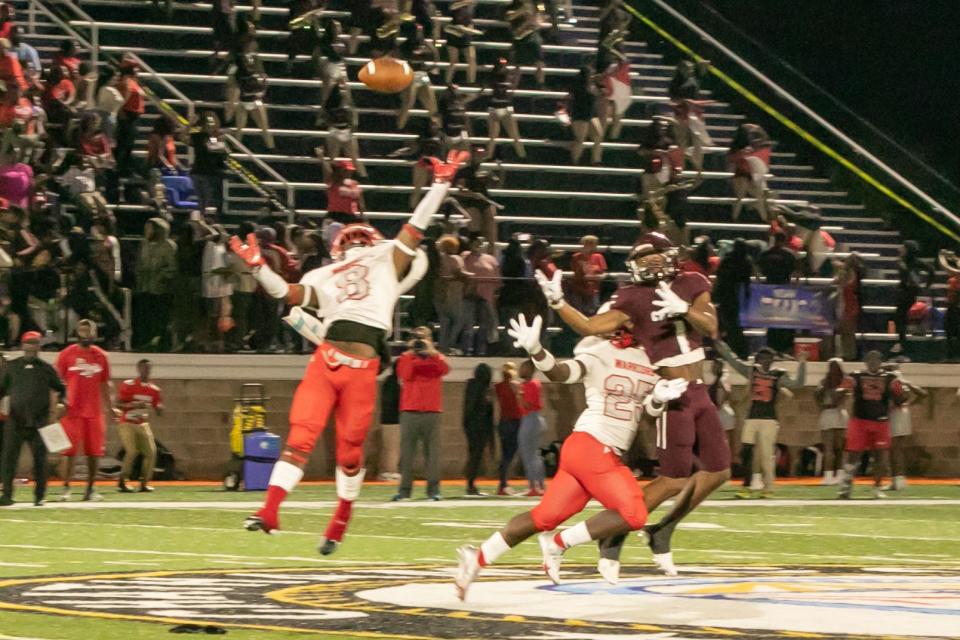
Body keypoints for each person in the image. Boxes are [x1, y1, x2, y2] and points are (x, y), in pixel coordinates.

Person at [232, 151, 466, 553]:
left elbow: (416, 225)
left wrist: (441, 186)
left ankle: (340, 519)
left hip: (361, 367)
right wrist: (258, 269)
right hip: (326, 360)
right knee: (300, 438)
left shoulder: (387, 260)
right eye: (352, 240)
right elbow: (286, 295)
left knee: (350, 452)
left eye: (361, 239)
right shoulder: (323, 273)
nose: (357, 244)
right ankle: (270, 510)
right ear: (340, 247)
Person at [535, 230, 729, 576]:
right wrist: (558, 303)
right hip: (672, 392)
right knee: (672, 479)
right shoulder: (632, 296)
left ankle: (663, 529)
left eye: (656, 254)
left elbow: (710, 325)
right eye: (643, 257)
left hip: (701, 388)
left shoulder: (692, 281)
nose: (651, 260)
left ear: (671, 254)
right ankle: (615, 535)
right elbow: (591, 326)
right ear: (633, 265)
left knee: (719, 471)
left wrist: (683, 308)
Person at [455, 313, 687, 598]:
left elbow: (648, 412)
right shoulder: (599, 353)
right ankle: (558, 543)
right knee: (635, 513)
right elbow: (560, 373)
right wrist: (536, 350)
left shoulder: (649, 362)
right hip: (593, 446)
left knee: (543, 517)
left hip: (591, 450)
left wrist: (658, 399)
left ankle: (476, 558)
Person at [715, 342, 806, 498]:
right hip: (752, 417)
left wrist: (803, 362)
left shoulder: (779, 374)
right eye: (761, 358)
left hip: (769, 420)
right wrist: (722, 347)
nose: (763, 361)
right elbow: (734, 362)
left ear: (772, 360)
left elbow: (798, 383)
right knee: (746, 452)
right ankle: (747, 486)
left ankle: (768, 488)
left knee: (766, 455)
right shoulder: (752, 371)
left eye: (766, 358)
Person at [0, 331, 65, 507]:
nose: (31, 346)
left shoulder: (46, 368)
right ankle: (6, 495)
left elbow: (61, 388)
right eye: (28, 342)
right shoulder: (11, 367)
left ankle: (39, 496)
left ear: (39, 346)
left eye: (34, 342)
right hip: (15, 420)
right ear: (23, 345)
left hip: (39, 421)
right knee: (9, 459)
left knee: (40, 461)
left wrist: (60, 405)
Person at [55, 319, 115, 502]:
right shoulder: (67, 354)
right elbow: (57, 383)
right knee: (69, 452)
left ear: (94, 334)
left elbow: (105, 384)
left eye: (89, 331)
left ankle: (90, 488)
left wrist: (111, 407)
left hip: (94, 411)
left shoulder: (101, 356)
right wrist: (57, 405)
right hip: (72, 410)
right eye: (82, 330)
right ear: (77, 332)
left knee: (94, 452)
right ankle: (65, 488)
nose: (85, 334)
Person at [838, 351, 904, 499]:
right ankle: (845, 487)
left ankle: (877, 488)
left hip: (881, 421)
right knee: (853, 455)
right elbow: (842, 389)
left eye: (877, 359)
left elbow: (900, 398)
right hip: (860, 420)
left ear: (881, 362)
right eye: (871, 359)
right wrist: (841, 391)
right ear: (865, 361)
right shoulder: (856, 376)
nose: (874, 362)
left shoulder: (889, 378)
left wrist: (900, 391)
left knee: (881, 457)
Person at [393, 327, 449, 501]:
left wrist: (431, 352)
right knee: (407, 454)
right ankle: (404, 491)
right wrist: (412, 354)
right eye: (418, 338)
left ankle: (433, 491)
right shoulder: (405, 358)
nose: (420, 342)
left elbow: (444, 369)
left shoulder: (436, 357)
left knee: (433, 455)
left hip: (432, 411)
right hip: (410, 410)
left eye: (423, 338)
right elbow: (405, 374)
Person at [116, 359, 162, 493]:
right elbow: (118, 404)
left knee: (151, 452)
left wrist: (159, 407)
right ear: (138, 369)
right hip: (127, 422)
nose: (146, 371)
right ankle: (122, 481)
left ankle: (144, 482)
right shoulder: (129, 385)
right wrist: (134, 405)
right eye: (144, 368)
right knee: (131, 451)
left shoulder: (154, 389)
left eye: (148, 368)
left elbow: (157, 406)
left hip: (142, 423)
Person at [756, 232, 797, 354]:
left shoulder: (765, 254)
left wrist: (760, 283)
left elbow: (757, 270)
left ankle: (772, 346)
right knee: (785, 319)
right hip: (785, 290)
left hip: (769, 289)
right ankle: (785, 347)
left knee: (772, 319)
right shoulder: (789, 255)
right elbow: (796, 273)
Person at [892, 241, 934, 355]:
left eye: (903, 247)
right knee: (900, 318)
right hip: (908, 291)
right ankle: (902, 343)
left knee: (900, 317)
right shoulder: (912, 261)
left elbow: (929, 271)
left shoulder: (906, 262)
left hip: (908, 292)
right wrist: (927, 285)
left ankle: (903, 344)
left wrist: (927, 286)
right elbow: (931, 271)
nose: (900, 249)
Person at [887, 365, 925, 491]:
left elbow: (923, 393)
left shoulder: (897, 383)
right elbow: (922, 394)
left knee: (896, 449)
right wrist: (911, 403)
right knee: (896, 450)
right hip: (902, 413)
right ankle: (896, 479)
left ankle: (898, 480)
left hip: (896, 415)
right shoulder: (904, 383)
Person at [461, 235, 499, 356]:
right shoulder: (464, 257)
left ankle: (481, 350)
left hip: (486, 297)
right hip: (468, 295)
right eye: (476, 242)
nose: (478, 245)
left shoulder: (491, 259)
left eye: (481, 243)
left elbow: (497, 278)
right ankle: (467, 350)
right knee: (468, 324)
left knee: (484, 325)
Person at [816, 357, 850, 486]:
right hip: (829, 413)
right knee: (829, 448)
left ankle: (839, 475)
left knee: (839, 447)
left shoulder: (844, 382)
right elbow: (817, 398)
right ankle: (829, 476)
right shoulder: (824, 382)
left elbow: (841, 399)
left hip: (839, 413)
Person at [397, 23, 438, 130]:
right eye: (416, 32)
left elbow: (436, 56)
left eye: (420, 32)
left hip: (423, 74)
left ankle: (435, 130)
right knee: (408, 103)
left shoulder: (426, 45)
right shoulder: (404, 46)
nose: (418, 34)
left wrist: (430, 67)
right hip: (411, 75)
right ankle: (399, 128)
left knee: (432, 106)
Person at [728, 123, 772, 221]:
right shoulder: (738, 148)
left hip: (751, 174)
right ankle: (734, 218)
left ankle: (764, 218)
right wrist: (742, 154)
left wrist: (759, 129)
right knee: (740, 194)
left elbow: (766, 141)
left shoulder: (754, 145)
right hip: (741, 174)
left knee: (760, 195)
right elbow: (732, 159)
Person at [435, 234, 471, 354]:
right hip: (454, 293)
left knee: (444, 321)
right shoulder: (456, 259)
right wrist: (471, 275)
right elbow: (459, 273)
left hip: (441, 293)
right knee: (458, 321)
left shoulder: (439, 259)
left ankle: (442, 346)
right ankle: (450, 344)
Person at [484, 58, 526, 160]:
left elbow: (513, 86)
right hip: (496, 108)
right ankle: (488, 157)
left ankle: (522, 156)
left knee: (513, 136)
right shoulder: (494, 80)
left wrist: (517, 72)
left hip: (502, 108)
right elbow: (513, 86)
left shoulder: (504, 80)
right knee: (494, 137)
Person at [463, 362, 494, 496]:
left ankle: (471, 482)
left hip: (471, 426)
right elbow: (484, 410)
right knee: (476, 456)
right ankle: (471, 484)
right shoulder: (482, 388)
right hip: (479, 427)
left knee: (474, 455)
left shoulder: (471, 386)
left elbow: (468, 408)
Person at [190, 112, 229, 217]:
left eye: (212, 122)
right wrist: (190, 124)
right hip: (199, 172)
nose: (210, 125)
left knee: (211, 203)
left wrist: (219, 144)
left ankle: (210, 222)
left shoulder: (218, 137)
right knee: (202, 203)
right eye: (208, 122)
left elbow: (225, 151)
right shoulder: (198, 135)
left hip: (212, 174)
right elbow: (182, 135)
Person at [516, 360, 545, 496]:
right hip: (535, 419)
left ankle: (533, 486)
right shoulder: (536, 383)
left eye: (522, 367)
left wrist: (519, 395)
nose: (520, 370)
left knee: (529, 455)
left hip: (530, 419)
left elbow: (528, 405)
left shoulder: (529, 385)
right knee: (535, 454)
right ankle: (540, 485)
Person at [494, 362, 523, 495]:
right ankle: (503, 484)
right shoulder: (516, 386)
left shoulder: (498, 386)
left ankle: (502, 483)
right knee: (509, 454)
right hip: (514, 421)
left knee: (505, 454)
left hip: (503, 421)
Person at [566, 66, 603, 165]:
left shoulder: (592, 85)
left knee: (598, 135)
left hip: (591, 114)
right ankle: (574, 162)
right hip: (580, 114)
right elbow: (569, 98)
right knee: (580, 139)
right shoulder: (578, 86)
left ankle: (596, 160)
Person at [834, 252, 864, 361]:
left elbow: (838, 282)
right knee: (846, 332)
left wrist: (840, 269)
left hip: (849, 303)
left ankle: (850, 355)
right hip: (848, 303)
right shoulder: (851, 272)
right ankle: (847, 354)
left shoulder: (850, 273)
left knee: (848, 332)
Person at [444, 0, 481, 84]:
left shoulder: (471, 5)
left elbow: (470, 17)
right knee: (453, 60)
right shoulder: (457, 3)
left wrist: (471, 31)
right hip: (454, 31)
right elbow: (452, 7)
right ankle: (447, 82)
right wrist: (466, 2)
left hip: (465, 32)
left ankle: (471, 82)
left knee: (471, 59)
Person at [376, 362, 401, 482]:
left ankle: (388, 470)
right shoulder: (394, 383)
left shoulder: (388, 381)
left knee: (389, 447)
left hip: (387, 418)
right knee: (393, 448)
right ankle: (390, 471)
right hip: (393, 419)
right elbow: (394, 401)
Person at [570, 235, 606, 315]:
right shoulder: (576, 257)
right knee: (578, 313)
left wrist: (601, 277)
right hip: (579, 289)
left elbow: (603, 272)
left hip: (593, 289)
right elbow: (575, 271)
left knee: (593, 312)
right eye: (589, 243)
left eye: (594, 243)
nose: (592, 246)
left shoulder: (599, 257)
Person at [939, 249, 960, 361]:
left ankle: (956, 356)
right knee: (949, 330)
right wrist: (952, 256)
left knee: (956, 332)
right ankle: (951, 356)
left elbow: (946, 267)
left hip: (957, 306)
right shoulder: (955, 277)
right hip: (952, 306)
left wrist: (941, 255)